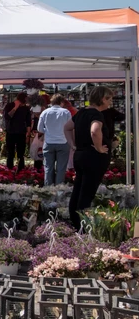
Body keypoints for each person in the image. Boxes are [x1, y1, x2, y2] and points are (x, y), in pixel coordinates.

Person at [67, 86, 114, 227]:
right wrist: (99, 147)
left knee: (78, 189)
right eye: (109, 99)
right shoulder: (96, 114)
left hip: (80, 155)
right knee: (87, 193)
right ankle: (81, 225)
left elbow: (67, 127)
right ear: (102, 99)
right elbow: (95, 130)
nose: (110, 102)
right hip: (93, 158)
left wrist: (73, 145)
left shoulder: (81, 112)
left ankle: (75, 220)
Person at [39, 94, 74, 186]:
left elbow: (39, 128)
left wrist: (47, 131)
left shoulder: (45, 112)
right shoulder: (66, 112)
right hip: (63, 142)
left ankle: (48, 189)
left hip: (49, 142)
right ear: (62, 102)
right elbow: (70, 127)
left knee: (48, 167)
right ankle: (59, 188)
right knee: (61, 168)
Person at [3, 92, 32, 171]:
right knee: (10, 153)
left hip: (21, 133)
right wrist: (15, 107)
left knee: (21, 153)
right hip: (11, 132)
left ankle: (20, 169)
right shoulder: (9, 106)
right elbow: (7, 117)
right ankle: (9, 168)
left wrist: (28, 134)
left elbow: (28, 122)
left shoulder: (26, 109)